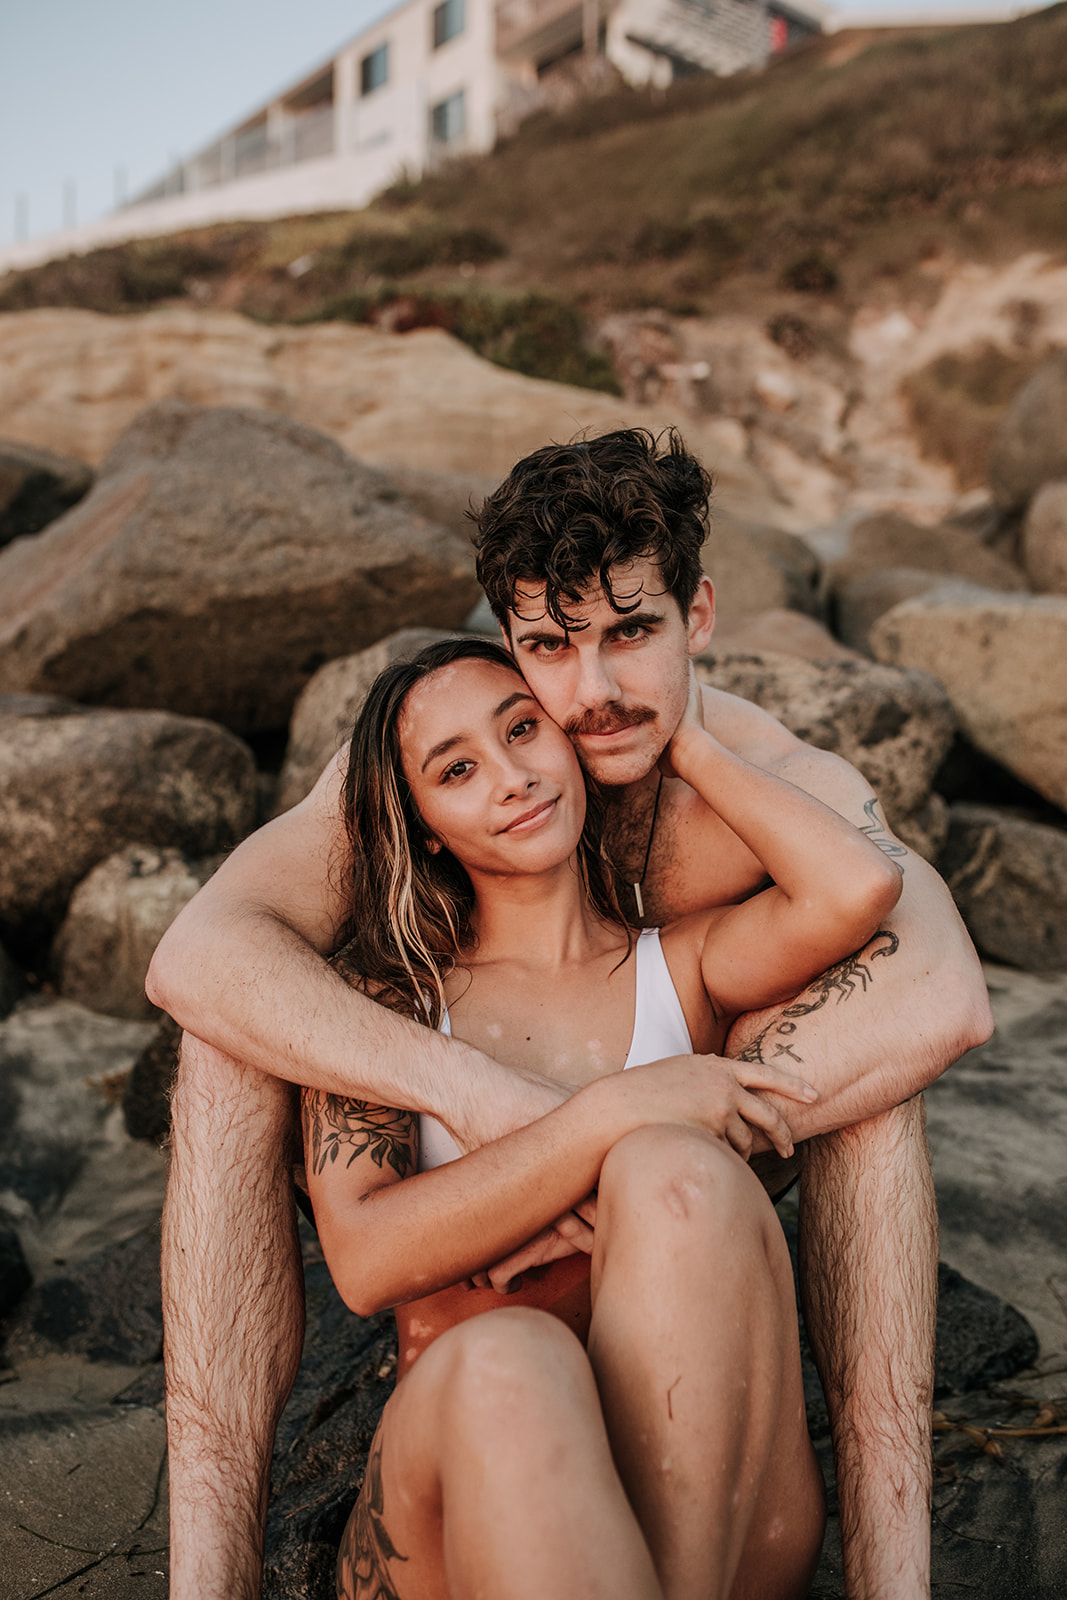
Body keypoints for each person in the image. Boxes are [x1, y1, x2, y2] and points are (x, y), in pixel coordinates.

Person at [149, 428, 993, 1600]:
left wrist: (667, 1127)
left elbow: (936, 988)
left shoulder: (761, 781)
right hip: (486, 1368)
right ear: (509, 644)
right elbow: (200, 953)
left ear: (696, 615)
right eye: (547, 649)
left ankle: (891, 1577)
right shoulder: (422, 779)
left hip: (700, 1271)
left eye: (631, 634)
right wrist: (542, 1116)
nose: (589, 696)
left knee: (803, 1124)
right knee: (230, 1035)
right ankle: (208, 1574)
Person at [304, 632, 904, 1600]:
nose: (510, 778)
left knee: (677, 1171)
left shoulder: (685, 963)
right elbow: (368, 1259)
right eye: (456, 769)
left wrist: (687, 738)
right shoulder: (389, 1002)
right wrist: (608, 1114)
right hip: (482, 1503)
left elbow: (856, 887)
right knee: (511, 1354)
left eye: (523, 730)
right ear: (419, 822)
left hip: (717, 1515)